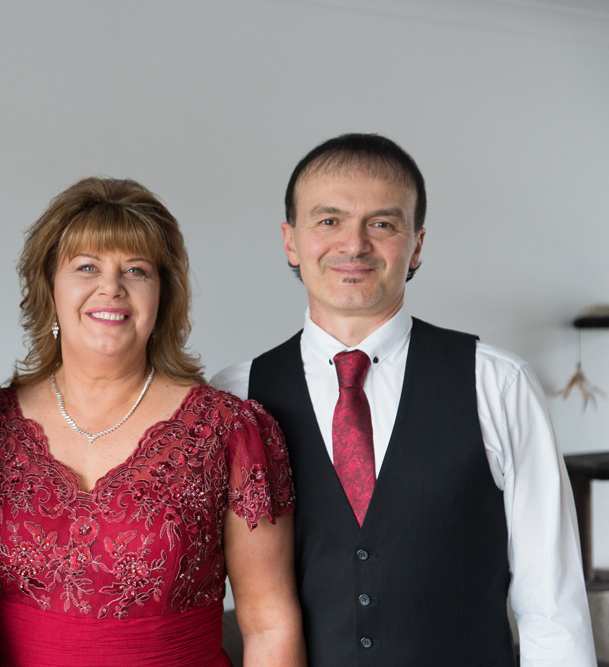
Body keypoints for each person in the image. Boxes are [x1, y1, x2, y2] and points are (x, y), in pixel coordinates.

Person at [213, 133, 597, 666]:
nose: (354, 245)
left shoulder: (498, 383)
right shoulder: (236, 398)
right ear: (290, 241)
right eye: (329, 221)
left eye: (382, 224)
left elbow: (551, 602)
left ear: (416, 245)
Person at [0, 177, 305, 667]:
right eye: (87, 267)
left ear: (162, 296)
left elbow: (269, 624)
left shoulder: (227, 431)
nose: (111, 287)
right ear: (49, 286)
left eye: (136, 270)